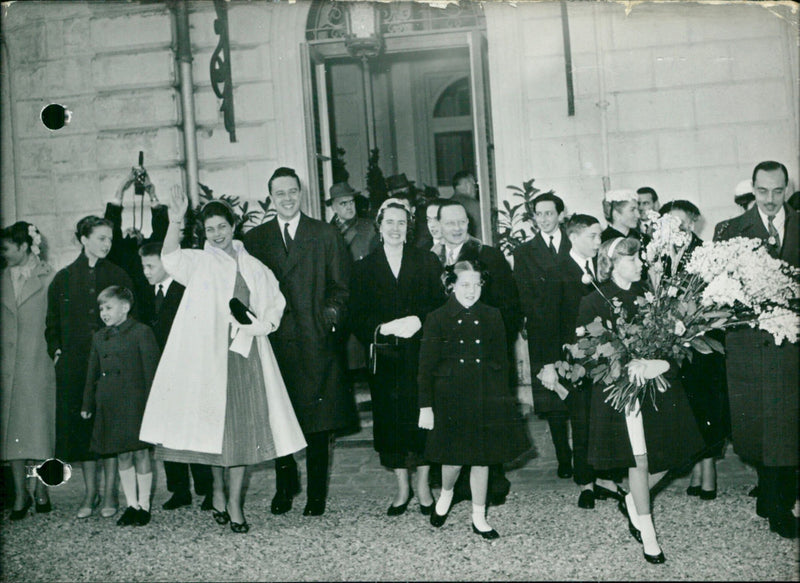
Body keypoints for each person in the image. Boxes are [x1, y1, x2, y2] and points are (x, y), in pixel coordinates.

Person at [139, 192, 306, 533]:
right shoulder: (199, 262)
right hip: (208, 359)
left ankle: (235, 503)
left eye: (222, 227)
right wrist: (175, 220)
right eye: (210, 229)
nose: (217, 234)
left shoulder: (253, 266)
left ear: (233, 226)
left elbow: (275, 302)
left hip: (246, 356)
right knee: (213, 430)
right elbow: (169, 258)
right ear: (203, 233)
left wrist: (262, 325)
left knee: (242, 432)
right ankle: (217, 490)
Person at [575, 237, 705, 563]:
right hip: (622, 394)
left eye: (638, 259)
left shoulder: (653, 297)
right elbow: (589, 352)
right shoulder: (593, 300)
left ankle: (634, 499)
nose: (639, 265)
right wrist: (622, 364)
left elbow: (673, 343)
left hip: (657, 388)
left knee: (679, 453)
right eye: (632, 260)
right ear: (613, 262)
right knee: (639, 460)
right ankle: (649, 535)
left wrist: (660, 364)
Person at [243, 167, 357, 517]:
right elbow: (246, 290)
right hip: (274, 342)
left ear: (301, 193)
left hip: (315, 340)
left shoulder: (324, 234)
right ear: (271, 197)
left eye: (293, 191)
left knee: (319, 422)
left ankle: (316, 493)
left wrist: (329, 318)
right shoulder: (255, 240)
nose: (288, 198)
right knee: (278, 416)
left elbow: (341, 287)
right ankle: (284, 483)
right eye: (280, 193)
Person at [713, 160, 799, 539]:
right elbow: (716, 291)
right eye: (762, 191)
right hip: (750, 347)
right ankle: (769, 492)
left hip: (792, 348)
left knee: (786, 427)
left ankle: (779, 505)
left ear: (787, 189)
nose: (769, 199)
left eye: (777, 191)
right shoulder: (730, 230)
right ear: (752, 188)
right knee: (759, 427)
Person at [418, 260, 529, 540]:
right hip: (450, 399)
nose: (471, 291)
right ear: (451, 285)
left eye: (476, 284)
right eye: (464, 284)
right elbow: (426, 368)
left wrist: (503, 399)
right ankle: (446, 494)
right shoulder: (437, 318)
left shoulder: (492, 315)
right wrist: (425, 406)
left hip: (485, 396)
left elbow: (502, 363)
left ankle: (479, 516)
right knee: (453, 460)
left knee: (483, 459)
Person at [349, 198, 444, 516]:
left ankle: (423, 486)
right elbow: (356, 315)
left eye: (401, 223)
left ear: (409, 228)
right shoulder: (363, 267)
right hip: (386, 359)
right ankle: (403, 487)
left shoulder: (427, 261)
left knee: (423, 416)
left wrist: (419, 319)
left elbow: (438, 304)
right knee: (391, 423)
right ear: (379, 226)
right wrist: (381, 327)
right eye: (389, 222)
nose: (395, 228)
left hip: (420, 355)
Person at [432, 199, 522, 506]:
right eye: (449, 223)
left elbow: (510, 308)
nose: (456, 229)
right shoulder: (430, 258)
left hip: (485, 357)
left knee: (487, 425)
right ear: (438, 226)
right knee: (453, 424)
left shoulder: (488, 255)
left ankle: (491, 486)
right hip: (449, 360)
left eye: (462, 222)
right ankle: (455, 490)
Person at [46, 216, 134, 519]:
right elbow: (52, 323)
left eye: (110, 239)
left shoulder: (119, 275)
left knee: (108, 428)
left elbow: (131, 320)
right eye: (101, 238)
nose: (107, 244)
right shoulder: (64, 277)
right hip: (75, 370)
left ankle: (110, 493)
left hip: (111, 367)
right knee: (83, 432)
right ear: (83, 239)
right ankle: (90, 493)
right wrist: (57, 352)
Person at [539, 214, 625, 509]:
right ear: (573, 237)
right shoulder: (557, 270)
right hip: (575, 361)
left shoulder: (603, 269)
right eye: (592, 236)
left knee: (608, 418)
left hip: (606, 359)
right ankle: (586, 482)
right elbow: (547, 321)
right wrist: (550, 363)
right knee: (583, 421)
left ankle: (607, 479)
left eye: (600, 236)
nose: (598, 242)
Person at [660, 200, 730, 501]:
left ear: (694, 222)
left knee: (707, 405)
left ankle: (708, 470)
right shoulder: (659, 255)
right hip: (672, 345)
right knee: (686, 406)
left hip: (704, 342)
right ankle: (699, 468)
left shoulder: (707, 254)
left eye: (682, 222)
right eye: (670, 223)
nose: (677, 228)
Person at [138, 242, 213, 511]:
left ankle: (208, 489)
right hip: (159, 373)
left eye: (150, 266)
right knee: (167, 433)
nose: (145, 272)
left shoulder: (186, 290)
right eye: (143, 266)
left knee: (193, 430)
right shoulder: (145, 295)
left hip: (187, 368)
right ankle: (179, 489)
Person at [81, 286, 159, 527]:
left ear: (125, 308)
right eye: (101, 308)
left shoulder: (141, 332)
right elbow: (91, 373)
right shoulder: (99, 337)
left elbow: (152, 373)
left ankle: (144, 505)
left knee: (140, 453)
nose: (104, 313)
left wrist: (153, 407)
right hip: (109, 402)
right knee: (122, 454)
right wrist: (87, 403)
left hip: (136, 404)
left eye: (109, 307)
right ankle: (131, 504)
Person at [512, 192, 573, 480]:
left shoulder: (576, 244)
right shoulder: (524, 252)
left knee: (580, 397)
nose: (545, 219)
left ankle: (586, 456)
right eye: (539, 214)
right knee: (554, 403)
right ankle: (564, 457)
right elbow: (524, 296)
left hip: (577, 333)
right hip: (543, 334)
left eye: (550, 213)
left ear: (560, 215)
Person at [1, 223, 56, 520]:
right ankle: (20, 494)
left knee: (39, 429)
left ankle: (42, 489)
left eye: (7, 248)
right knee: (12, 433)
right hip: (7, 367)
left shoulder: (49, 277)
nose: (3, 254)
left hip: (37, 363)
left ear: (24, 247)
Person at [327, 182, 379, 263]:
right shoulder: (326, 232)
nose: (349, 207)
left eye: (351, 202)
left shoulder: (369, 228)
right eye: (343, 203)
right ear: (334, 208)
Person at [445, 171, 482, 239]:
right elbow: (480, 234)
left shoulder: (445, 205)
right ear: (467, 185)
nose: (476, 189)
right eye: (473, 184)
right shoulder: (474, 205)